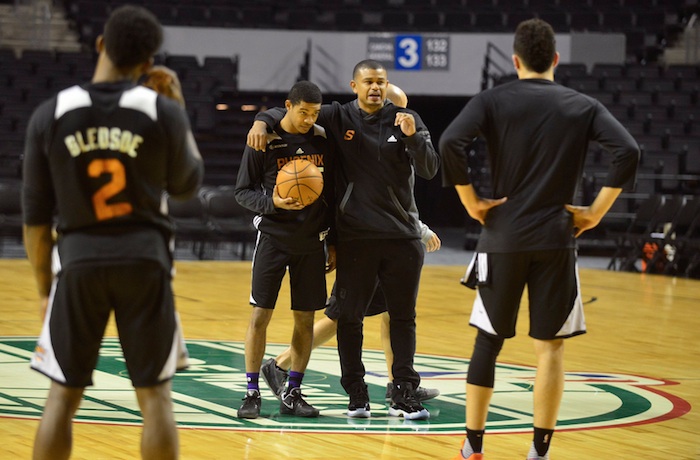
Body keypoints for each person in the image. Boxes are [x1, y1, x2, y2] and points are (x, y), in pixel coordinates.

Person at [439, 19, 640, 460]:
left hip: (502, 237)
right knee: (550, 348)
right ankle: (540, 452)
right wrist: (594, 213)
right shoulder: (581, 104)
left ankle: (473, 447)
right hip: (556, 239)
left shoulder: (492, 100)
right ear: (555, 59)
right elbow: (628, 152)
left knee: (487, 342)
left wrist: (471, 203)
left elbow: (451, 141)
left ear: (515, 61)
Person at [22, 5, 203, 460]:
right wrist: (178, 113)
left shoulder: (52, 112)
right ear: (148, 64)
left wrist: (46, 287)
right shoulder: (161, 110)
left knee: (62, 397)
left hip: (79, 262)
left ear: (100, 44)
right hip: (145, 260)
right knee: (155, 396)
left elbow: (36, 221)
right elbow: (186, 186)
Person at [249, 59, 440, 420]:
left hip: (400, 238)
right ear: (355, 85)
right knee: (348, 316)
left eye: (382, 84)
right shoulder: (338, 117)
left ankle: (403, 387)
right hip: (356, 237)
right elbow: (295, 113)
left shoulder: (405, 120)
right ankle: (354, 390)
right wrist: (263, 119)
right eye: (369, 82)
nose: (376, 90)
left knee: (398, 316)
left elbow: (428, 170)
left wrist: (413, 136)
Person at [234, 80, 335, 419]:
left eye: (314, 114)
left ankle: (293, 390)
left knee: (305, 320)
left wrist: (331, 239)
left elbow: (332, 193)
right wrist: (273, 204)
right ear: (288, 107)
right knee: (260, 316)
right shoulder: (263, 139)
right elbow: (242, 192)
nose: (308, 120)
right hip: (274, 239)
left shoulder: (322, 139)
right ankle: (251, 392)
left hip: (311, 242)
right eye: (303, 112)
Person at [261, 222, 442, 403]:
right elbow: (386, 204)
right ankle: (279, 364)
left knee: (389, 311)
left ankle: (398, 384)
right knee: (340, 315)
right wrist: (421, 230)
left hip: (381, 239)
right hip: (369, 241)